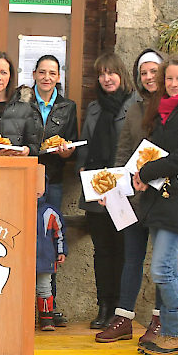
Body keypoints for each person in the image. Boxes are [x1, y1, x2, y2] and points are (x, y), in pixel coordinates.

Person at [133, 54, 178, 355]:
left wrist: (147, 172)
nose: (173, 84)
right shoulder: (162, 111)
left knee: (162, 268)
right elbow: (155, 152)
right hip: (160, 197)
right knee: (164, 268)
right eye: (169, 79)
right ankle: (173, 334)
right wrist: (139, 175)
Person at [95, 49, 165, 344]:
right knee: (132, 257)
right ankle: (123, 318)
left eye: (153, 71)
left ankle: (161, 320)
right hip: (136, 195)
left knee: (163, 262)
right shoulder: (135, 108)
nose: (149, 77)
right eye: (144, 73)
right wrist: (113, 188)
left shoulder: (177, 108)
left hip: (164, 195)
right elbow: (124, 151)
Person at [75, 53, 139, 329]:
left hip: (124, 191)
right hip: (96, 190)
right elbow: (85, 146)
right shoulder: (93, 108)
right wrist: (85, 176)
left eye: (111, 73)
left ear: (122, 75)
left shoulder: (135, 104)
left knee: (123, 251)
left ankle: (120, 310)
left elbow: (136, 146)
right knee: (102, 251)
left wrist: (118, 185)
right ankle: (103, 306)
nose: (106, 78)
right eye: (101, 74)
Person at [29, 54, 78, 328]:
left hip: (54, 179)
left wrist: (67, 152)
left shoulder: (67, 107)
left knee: (51, 242)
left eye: (52, 73)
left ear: (59, 77)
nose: (47, 77)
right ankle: (24, 302)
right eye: (42, 72)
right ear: (34, 74)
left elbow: (71, 144)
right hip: (25, 180)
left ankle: (50, 305)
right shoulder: (23, 102)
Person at [36, 194, 67, 331]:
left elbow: (59, 234)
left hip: (45, 257)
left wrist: (61, 252)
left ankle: (46, 317)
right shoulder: (17, 207)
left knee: (44, 287)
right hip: (22, 258)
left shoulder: (51, 212)